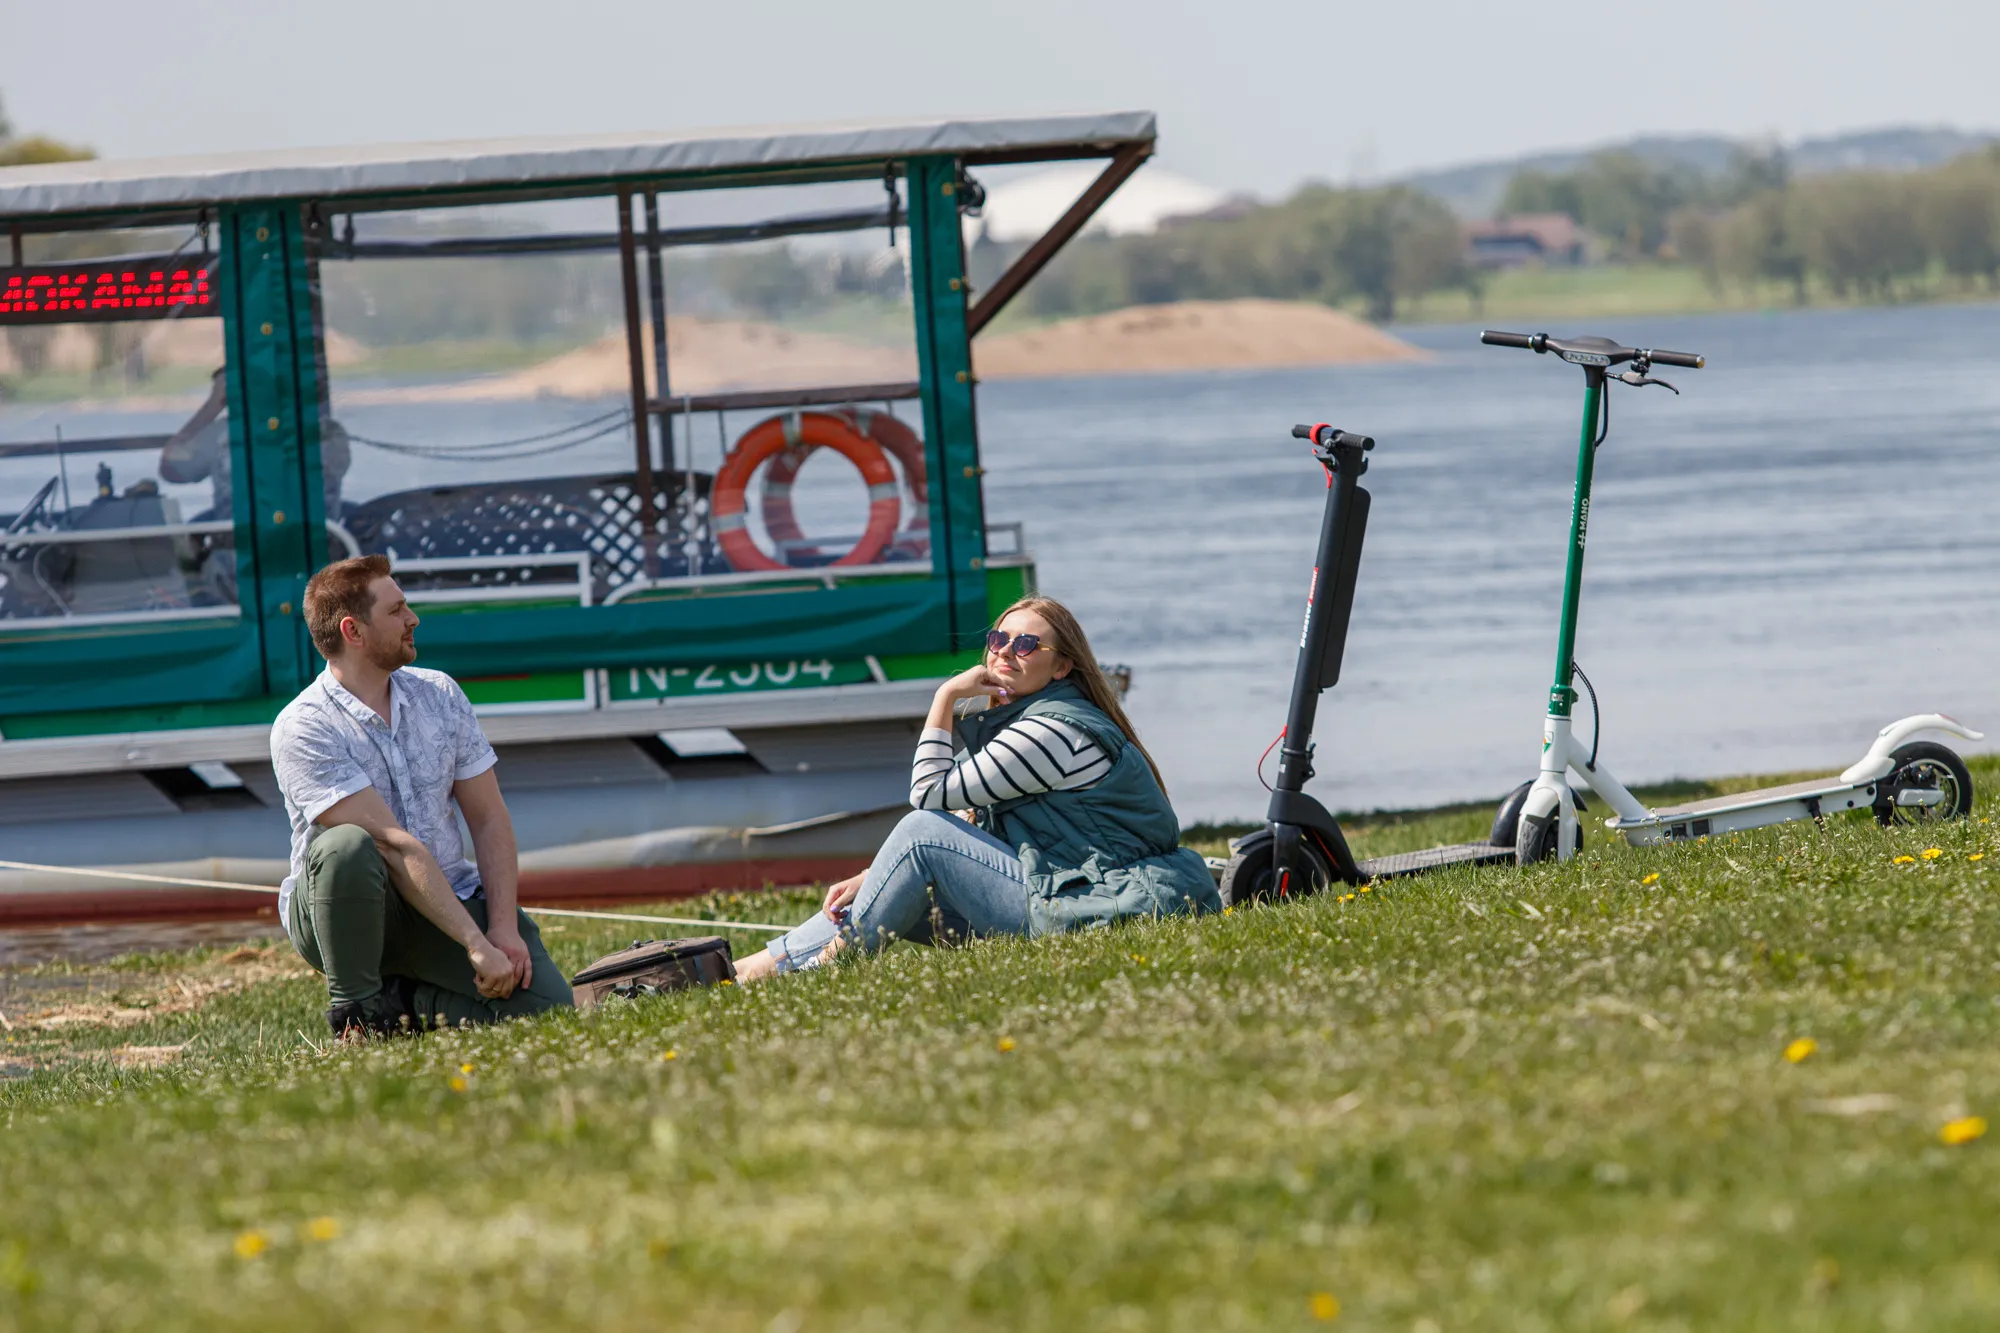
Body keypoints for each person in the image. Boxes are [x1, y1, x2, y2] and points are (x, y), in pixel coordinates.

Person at [736, 596, 1219, 982]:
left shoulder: (1050, 734)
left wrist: (945, 697)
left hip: (1096, 906)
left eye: (1027, 644)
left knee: (920, 832)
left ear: (1062, 668)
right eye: (998, 639)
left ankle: (815, 970)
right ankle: (751, 971)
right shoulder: (1033, 721)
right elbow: (969, 822)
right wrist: (875, 872)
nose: (1006, 651)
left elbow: (928, 796)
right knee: (903, 867)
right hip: (1069, 891)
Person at [271, 553, 573, 1036]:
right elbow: (390, 843)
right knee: (346, 846)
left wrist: (502, 928)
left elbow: (490, 817)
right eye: (395, 611)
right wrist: (475, 945)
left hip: (444, 899)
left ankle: (400, 1006)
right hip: (348, 913)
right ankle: (357, 1014)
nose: (413, 619)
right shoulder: (302, 726)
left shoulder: (441, 694)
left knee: (548, 1014)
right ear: (353, 631)